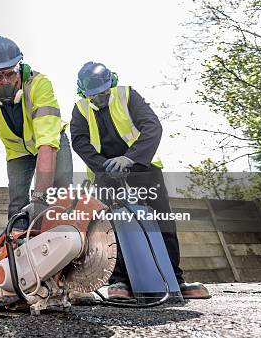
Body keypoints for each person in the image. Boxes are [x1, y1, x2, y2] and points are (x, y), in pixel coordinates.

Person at [70, 61, 211, 299]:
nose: (100, 99)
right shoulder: (81, 109)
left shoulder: (128, 96)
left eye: (103, 93)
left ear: (110, 85)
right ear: (84, 93)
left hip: (142, 167)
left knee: (162, 220)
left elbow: (152, 127)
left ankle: (174, 279)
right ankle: (120, 282)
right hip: (104, 172)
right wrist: (103, 166)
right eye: (94, 96)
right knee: (111, 229)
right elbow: (79, 141)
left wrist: (130, 158)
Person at [0, 36, 73, 231]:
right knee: (17, 204)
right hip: (18, 152)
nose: (5, 81)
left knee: (59, 196)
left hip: (52, 143)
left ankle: (62, 239)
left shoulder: (39, 85)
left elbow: (46, 145)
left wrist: (40, 198)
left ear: (22, 69)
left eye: (10, 73)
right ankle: (19, 245)